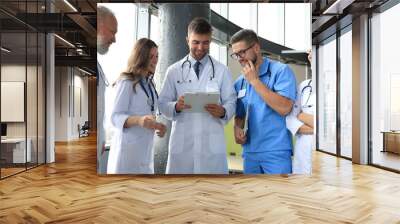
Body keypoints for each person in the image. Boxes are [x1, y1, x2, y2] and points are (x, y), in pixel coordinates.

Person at [158, 17, 236, 174]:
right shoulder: (174, 71)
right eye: (196, 42)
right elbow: (162, 103)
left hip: (211, 147)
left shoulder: (222, 71)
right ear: (187, 40)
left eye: (205, 42)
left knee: (211, 194)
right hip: (183, 146)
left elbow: (232, 101)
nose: (201, 47)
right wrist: (176, 107)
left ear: (211, 41)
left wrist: (223, 111)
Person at [231, 29, 297, 174]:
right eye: (235, 55)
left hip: (276, 152)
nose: (239, 58)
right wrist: (237, 128)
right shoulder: (240, 82)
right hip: (250, 153)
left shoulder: (281, 71)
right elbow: (240, 115)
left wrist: (255, 81)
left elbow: (285, 107)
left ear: (256, 47)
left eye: (242, 52)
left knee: (278, 196)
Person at [107, 38, 166, 174]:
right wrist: (138, 121)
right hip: (127, 153)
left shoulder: (150, 84)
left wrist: (158, 126)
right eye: (151, 56)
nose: (155, 60)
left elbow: (149, 112)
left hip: (145, 151)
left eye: (156, 56)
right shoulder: (126, 82)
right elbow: (115, 117)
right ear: (141, 57)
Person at [286, 49, 315, 174]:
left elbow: (333, 125)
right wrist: (316, 127)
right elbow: (291, 118)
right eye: (310, 57)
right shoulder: (304, 86)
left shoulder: (340, 87)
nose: (311, 58)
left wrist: (301, 115)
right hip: (302, 152)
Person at [97, 5, 117, 174]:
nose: (114, 39)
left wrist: (102, 138)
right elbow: (116, 116)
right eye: (112, 32)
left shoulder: (99, 67)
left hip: (98, 145)